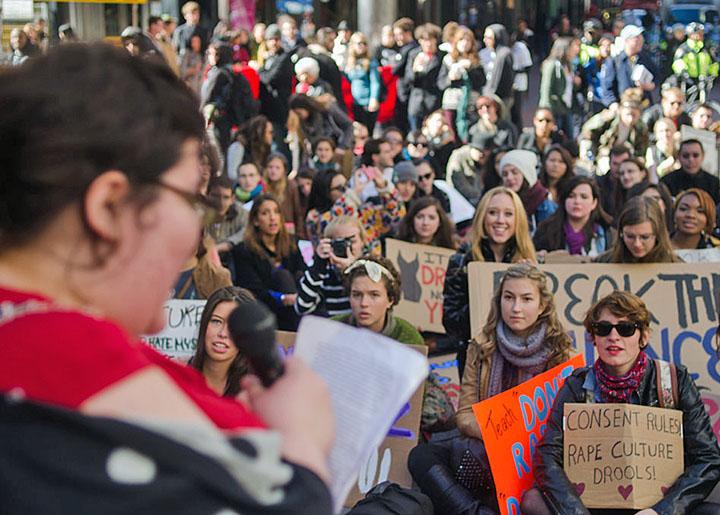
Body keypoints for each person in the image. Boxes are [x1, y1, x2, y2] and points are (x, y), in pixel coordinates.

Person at [0, 43, 333, 513]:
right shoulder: (69, 356)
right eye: (190, 201)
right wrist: (302, 447)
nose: (198, 230)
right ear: (110, 207)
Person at [523, 291, 720, 515]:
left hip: (658, 505)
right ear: (593, 337)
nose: (613, 337)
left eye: (626, 329)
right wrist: (575, 511)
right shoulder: (577, 386)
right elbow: (547, 454)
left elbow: (708, 457)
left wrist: (662, 510)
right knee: (533, 501)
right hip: (594, 506)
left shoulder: (674, 380)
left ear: (643, 336)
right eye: (603, 329)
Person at [411, 264, 574, 514]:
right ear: (500, 302)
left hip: (535, 456)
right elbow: (464, 414)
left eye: (526, 299)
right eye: (509, 298)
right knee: (421, 457)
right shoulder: (482, 346)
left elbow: (565, 426)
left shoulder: (562, 354)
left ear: (542, 306)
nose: (516, 308)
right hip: (486, 446)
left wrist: (517, 441)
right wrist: (497, 436)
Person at [443, 187, 537, 378]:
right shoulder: (461, 261)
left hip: (520, 362)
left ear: (517, 220)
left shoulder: (532, 264)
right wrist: (488, 291)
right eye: (493, 212)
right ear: (482, 217)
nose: (500, 220)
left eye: (508, 214)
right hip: (476, 363)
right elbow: (450, 322)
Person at [232, 194, 304, 330]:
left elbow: (301, 272)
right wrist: (282, 298)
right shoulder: (243, 250)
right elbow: (252, 289)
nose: (272, 218)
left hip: (294, 305)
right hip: (263, 310)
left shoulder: (291, 243)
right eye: (265, 213)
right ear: (255, 221)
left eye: (276, 212)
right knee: (282, 276)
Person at [334, 255, 422, 344]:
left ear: (390, 300)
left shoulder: (408, 337)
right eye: (357, 295)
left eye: (374, 295)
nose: (364, 303)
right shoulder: (332, 330)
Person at [189, 286, 255, 396]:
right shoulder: (178, 376)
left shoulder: (254, 391)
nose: (223, 333)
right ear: (204, 324)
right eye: (216, 321)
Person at [295, 216, 364, 318]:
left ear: (363, 242)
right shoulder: (322, 274)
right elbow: (302, 308)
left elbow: (369, 308)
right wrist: (318, 265)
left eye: (351, 241)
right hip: (334, 329)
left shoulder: (372, 270)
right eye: (339, 242)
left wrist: (352, 271)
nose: (346, 247)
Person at [533, 176, 613, 258]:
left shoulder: (607, 233)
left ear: (594, 203)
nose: (577, 201)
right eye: (571, 196)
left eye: (584, 197)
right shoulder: (545, 230)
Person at [201, 40, 257, 154]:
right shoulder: (232, 72)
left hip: (221, 119)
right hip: (234, 119)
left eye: (213, 54)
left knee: (220, 152)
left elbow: (208, 96)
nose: (210, 57)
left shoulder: (219, 73)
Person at [595, 196, 680, 264]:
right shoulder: (603, 262)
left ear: (657, 234)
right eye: (630, 236)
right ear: (621, 233)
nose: (637, 244)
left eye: (645, 237)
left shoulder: (677, 267)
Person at [437, 25, 485, 142]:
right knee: (453, 134)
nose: (464, 43)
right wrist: (450, 78)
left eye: (468, 40)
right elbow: (440, 83)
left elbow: (481, 82)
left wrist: (470, 69)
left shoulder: (476, 61)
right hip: (452, 103)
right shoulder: (448, 60)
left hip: (470, 103)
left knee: (469, 133)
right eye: (461, 40)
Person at [600, 24, 657, 108]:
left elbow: (657, 77)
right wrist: (613, 104)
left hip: (643, 106)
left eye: (641, 37)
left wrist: (651, 85)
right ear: (626, 40)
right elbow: (607, 88)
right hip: (623, 108)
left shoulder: (645, 59)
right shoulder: (614, 61)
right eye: (636, 38)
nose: (640, 40)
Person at [401, 23, 445, 132]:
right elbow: (408, 79)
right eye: (425, 40)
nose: (428, 43)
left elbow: (441, 80)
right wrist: (416, 69)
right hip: (416, 103)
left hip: (434, 102)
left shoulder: (442, 56)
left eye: (431, 40)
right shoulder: (413, 54)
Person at [500, 149, 557, 232]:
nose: (509, 178)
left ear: (527, 174)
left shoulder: (544, 206)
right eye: (505, 174)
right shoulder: (502, 201)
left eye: (515, 172)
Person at [539, 37, 581, 138]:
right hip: (555, 108)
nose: (575, 51)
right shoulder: (552, 65)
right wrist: (547, 111)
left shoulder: (567, 66)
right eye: (571, 48)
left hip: (565, 107)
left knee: (569, 137)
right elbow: (546, 89)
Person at [288, 94, 354, 153]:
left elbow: (349, 125)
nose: (299, 116)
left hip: (338, 148)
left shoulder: (327, 109)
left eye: (299, 113)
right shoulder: (301, 121)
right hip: (319, 154)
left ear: (306, 107)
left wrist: (342, 147)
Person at [661, 139, 720, 204]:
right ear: (679, 157)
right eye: (686, 156)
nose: (691, 160)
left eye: (695, 155)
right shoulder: (667, 182)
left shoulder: (714, 183)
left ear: (703, 156)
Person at [345, 31, 381, 134]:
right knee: (357, 131)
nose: (362, 46)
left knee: (368, 132)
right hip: (355, 103)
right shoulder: (351, 62)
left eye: (364, 43)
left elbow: (375, 82)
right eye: (359, 43)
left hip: (367, 101)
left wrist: (374, 98)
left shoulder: (371, 61)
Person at [263, 153, 304, 237]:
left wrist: (299, 233)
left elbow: (298, 212)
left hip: (287, 228)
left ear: (284, 170)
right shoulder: (262, 185)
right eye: (270, 167)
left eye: (277, 168)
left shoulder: (291, 185)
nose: (273, 171)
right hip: (266, 227)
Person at [206, 175, 249, 256]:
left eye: (226, 197)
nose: (220, 202)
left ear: (232, 199)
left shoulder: (241, 213)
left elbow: (246, 231)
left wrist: (224, 246)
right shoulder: (198, 213)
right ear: (207, 195)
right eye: (215, 196)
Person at [481, 24, 515, 114]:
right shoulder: (497, 53)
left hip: (501, 99)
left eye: (489, 38)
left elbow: (497, 80)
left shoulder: (503, 54)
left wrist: (488, 95)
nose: (485, 40)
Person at [645, 117, 680, 182]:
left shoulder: (679, 150)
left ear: (674, 131)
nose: (665, 134)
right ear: (656, 134)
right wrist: (667, 164)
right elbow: (651, 173)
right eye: (661, 131)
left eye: (668, 130)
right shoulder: (651, 151)